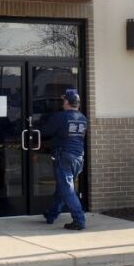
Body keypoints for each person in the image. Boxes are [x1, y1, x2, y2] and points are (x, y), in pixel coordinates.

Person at [41, 88, 88, 230]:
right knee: (63, 187)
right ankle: (52, 214)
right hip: (78, 157)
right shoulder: (83, 118)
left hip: (64, 156)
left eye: (64, 100)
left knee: (67, 189)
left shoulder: (61, 117)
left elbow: (46, 132)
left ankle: (79, 219)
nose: (62, 103)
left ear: (67, 102)